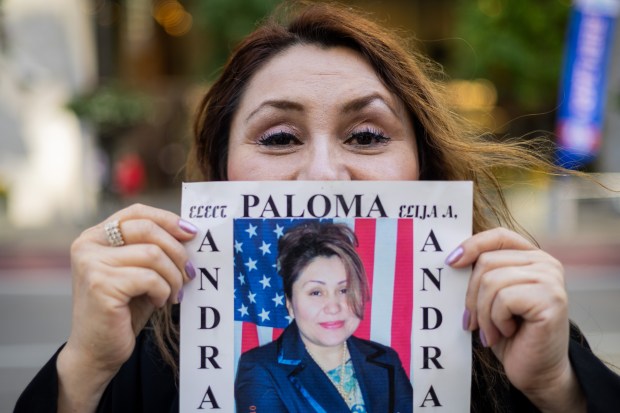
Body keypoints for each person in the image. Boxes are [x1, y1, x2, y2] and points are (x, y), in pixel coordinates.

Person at [15, 1, 620, 412]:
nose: (325, 172)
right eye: (279, 138)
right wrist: (84, 370)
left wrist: (559, 390)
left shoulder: (499, 336)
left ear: (423, 168)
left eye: (367, 136)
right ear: (222, 171)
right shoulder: (156, 347)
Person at [235, 221, 413, 412]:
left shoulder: (386, 360)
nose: (333, 307)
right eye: (316, 292)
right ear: (290, 303)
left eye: (344, 290)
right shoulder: (259, 369)